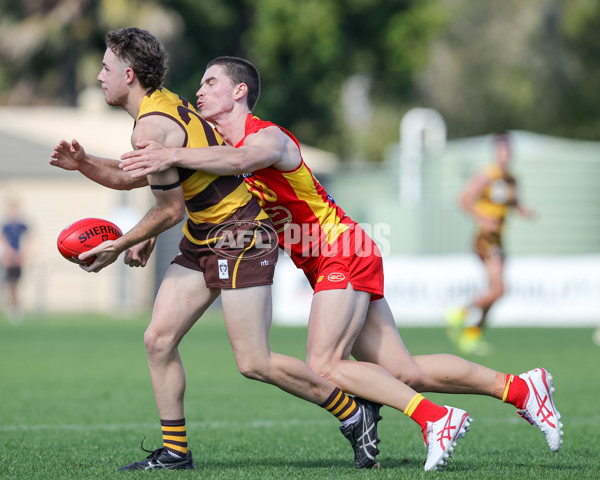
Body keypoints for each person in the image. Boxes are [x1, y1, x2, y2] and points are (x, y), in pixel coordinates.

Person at [120, 56, 563, 470]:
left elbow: (240, 159)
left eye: (210, 83)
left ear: (239, 92)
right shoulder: (213, 149)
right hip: (332, 257)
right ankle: (520, 388)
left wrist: (170, 154)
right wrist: (149, 226)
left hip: (340, 249)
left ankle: (434, 420)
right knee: (404, 371)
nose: (199, 92)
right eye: (198, 85)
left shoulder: (266, 136)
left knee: (325, 364)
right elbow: (195, 196)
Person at [50, 28, 386, 472]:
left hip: (241, 235)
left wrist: (121, 243)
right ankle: (175, 452)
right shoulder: (163, 104)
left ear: (128, 75)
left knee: (254, 361)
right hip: (206, 236)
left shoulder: (151, 124)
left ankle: (354, 413)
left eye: (106, 69)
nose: (99, 77)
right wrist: (86, 163)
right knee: (158, 338)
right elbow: (141, 174)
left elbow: (168, 210)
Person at [446, 133, 535, 355]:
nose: (504, 156)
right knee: (500, 289)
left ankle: (472, 334)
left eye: (508, 151)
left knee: (497, 291)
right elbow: (463, 199)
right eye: (501, 151)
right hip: (485, 240)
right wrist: (482, 218)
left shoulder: (511, 179)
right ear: (496, 153)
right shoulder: (487, 175)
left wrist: (521, 209)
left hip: (498, 239)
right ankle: (460, 314)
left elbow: (511, 201)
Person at [1, 199, 29, 323]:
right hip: (8, 259)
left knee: (15, 284)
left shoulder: (22, 225)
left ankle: (17, 308)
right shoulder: (5, 226)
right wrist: (7, 254)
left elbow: (29, 239)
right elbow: (3, 240)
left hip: (17, 259)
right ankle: (13, 308)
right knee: (9, 284)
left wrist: (23, 254)